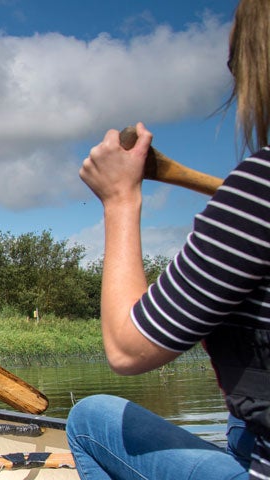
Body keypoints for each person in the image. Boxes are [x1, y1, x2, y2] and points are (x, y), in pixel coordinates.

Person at [69, 0, 270, 477]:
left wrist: (120, 200)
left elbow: (127, 347)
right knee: (237, 425)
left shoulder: (257, 188)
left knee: (86, 420)